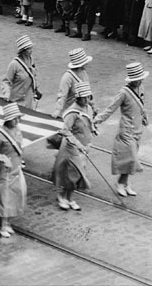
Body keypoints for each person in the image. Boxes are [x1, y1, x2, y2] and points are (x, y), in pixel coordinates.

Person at [94, 63, 149, 197]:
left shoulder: (141, 87)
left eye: (141, 78)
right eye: (138, 78)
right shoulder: (123, 93)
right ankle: (120, 182)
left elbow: (141, 105)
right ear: (131, 79)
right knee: (131, 158)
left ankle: (126, 182)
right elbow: (110, 108)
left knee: (131, 158)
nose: (140, 80)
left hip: (137, 129)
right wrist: (97, 120)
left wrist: (145, 117)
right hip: (126, 130)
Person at [53, 81, 95, 211]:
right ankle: (62, 196)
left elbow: (89, 122)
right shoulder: (72, 112)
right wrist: (77, 144)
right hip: (71, 148)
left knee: (77, 175)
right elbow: (65, 130)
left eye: (88, 97)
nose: (86, 100)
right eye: (84, 98)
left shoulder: (88, 108)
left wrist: (93, 129)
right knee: (71, 175)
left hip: (84, 146)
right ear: (78, 97)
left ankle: (70, 198)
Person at [0, 103, 27, 238]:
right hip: (2, 171)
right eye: (14, 119)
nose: (17, 121)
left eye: (18, 118)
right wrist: (2, 158)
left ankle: (7, 222)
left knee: (14, 196)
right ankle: (1, 224)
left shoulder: (17, 129)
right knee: (3, 198)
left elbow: (20, 146)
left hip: (15, 169)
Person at [1, 35, 42, 109]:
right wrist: (6, 94)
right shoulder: (14, 64)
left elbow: (34, 76)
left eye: (31, 47)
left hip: (28, 100)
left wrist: (36, 89)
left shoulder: (31, 60)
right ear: (23, 50)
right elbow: (6, 81)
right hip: (16, 101)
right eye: (29, 48)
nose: (31, 50)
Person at [52, 48, 93, 118]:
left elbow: (88, 92)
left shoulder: (84, 73)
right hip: (69, 110)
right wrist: (57, 111)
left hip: (83, 109)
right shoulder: (67, 77)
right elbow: (62, 96)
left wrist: (93, 106)